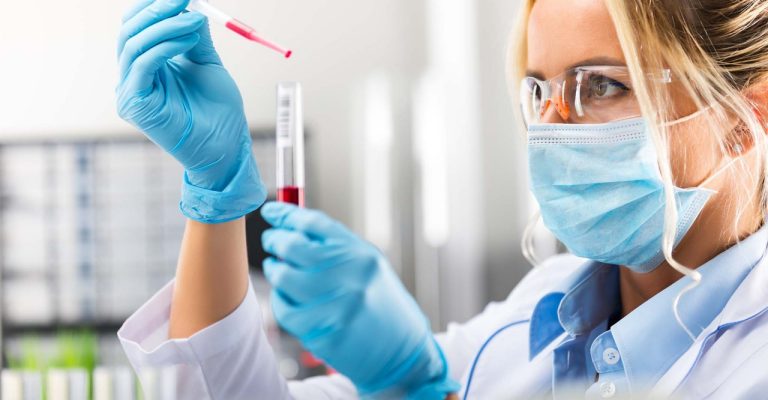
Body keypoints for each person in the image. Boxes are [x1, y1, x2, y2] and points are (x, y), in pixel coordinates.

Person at [115, 0, 768, 398]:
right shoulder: (535, 322)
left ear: (746, 114)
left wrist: (411, 391)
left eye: (600, 86)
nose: (554, 126)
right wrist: (217, 193)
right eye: (539, 91)